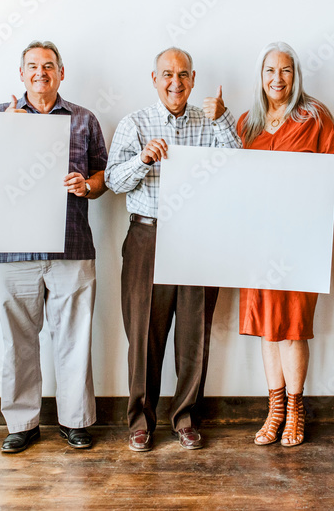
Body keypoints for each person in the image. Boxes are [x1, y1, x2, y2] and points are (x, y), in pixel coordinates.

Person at [106, 47, 241, 451]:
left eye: (183, 74)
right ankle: (140, 422)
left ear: (194, 78)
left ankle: (185, 417)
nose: (175, 82)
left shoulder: (210, 121)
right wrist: (143, 160)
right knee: (144, 333)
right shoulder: (135, 123)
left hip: (200, 236)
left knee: (193, 333)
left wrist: (223, 117)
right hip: (148, 236)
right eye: (167, 74)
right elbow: (114, 181)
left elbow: (239, 166)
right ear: (154, 79)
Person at [237, 42, 334, 448]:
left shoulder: (315, 116)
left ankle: (295, 409)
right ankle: (274, 410)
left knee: (291, 327)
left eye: (286, 71)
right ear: (260, 76)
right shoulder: (247, 124)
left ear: (296, 75)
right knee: (266, 329)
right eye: (270, 70)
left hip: (299, 242)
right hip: (257, 241)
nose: (277, 79)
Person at [0, 40, 109, 453]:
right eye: (33, 66)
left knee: (74, 339)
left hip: (71, 248)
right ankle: (22, 424)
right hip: (11, 253)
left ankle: (75, 421)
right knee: (17, 342)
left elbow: (102, 177)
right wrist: (6, 131)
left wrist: (87, 185)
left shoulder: (84, 120)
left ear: (61, 73)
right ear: (21, 73)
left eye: (49, 66)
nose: (41, 72)